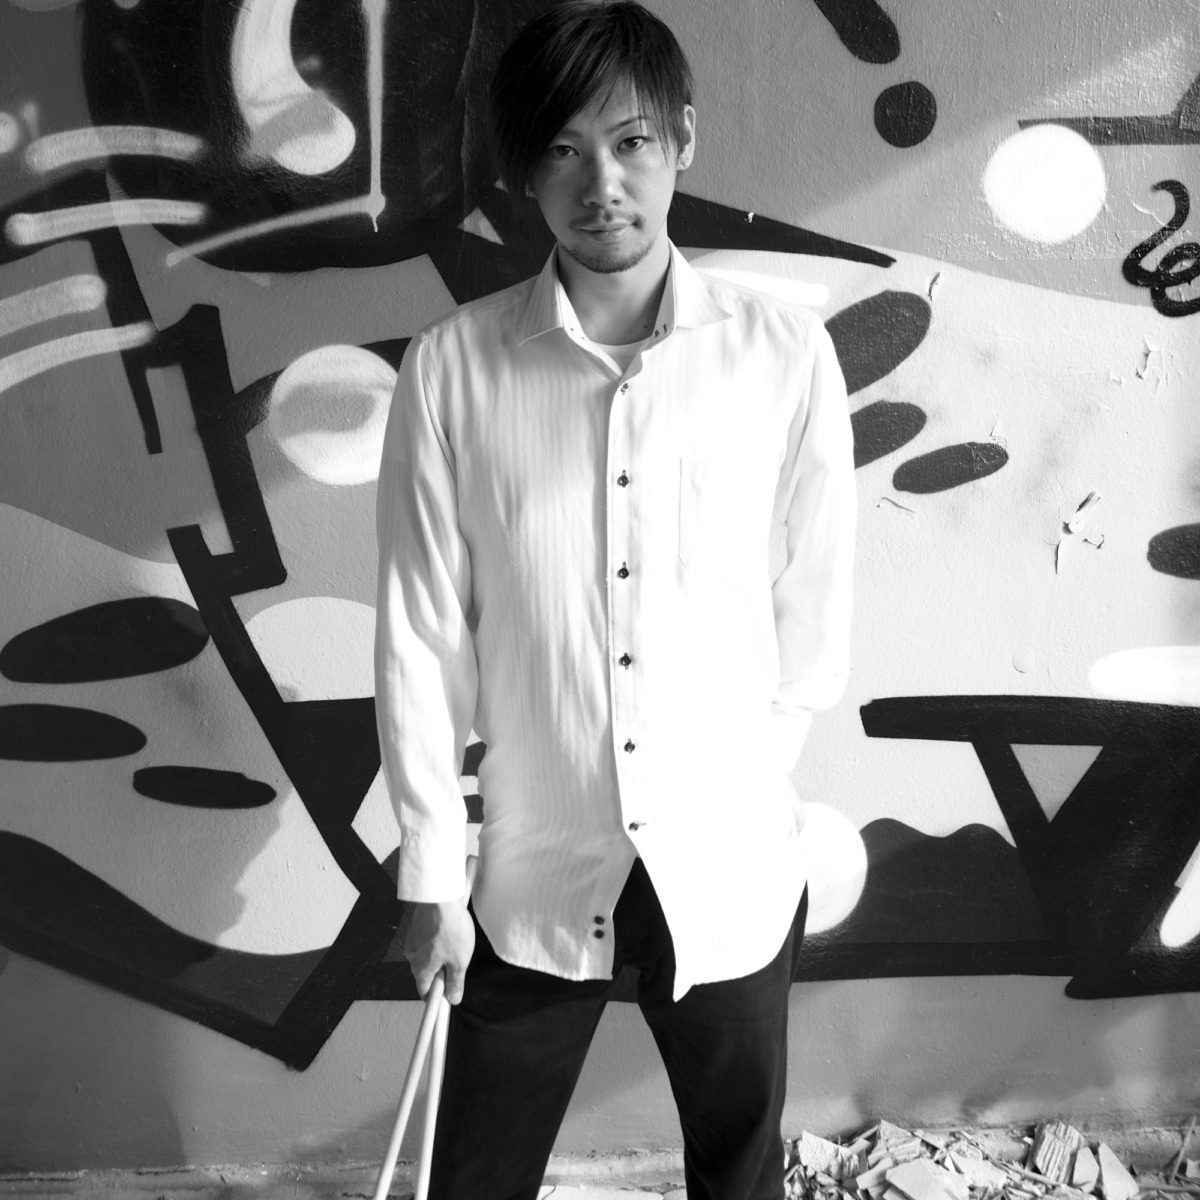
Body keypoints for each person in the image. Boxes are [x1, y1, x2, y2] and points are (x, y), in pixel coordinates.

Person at [374, 2, 856, 1196]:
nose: (603, 184)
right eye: (563, 150)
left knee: (738, 1173)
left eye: (632, 141)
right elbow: (422, 637)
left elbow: (813, 612)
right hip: (535, 874)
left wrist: (735, 779)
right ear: (522, 170)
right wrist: (429, 872)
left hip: (732, 872)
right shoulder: (452, 371)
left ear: (683, 137)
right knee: (473, 1176)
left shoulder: (783, 356)